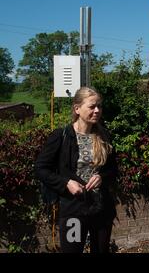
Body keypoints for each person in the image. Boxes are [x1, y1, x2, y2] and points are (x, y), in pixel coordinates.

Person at [36, 87, 118, 253]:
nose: (97, 110)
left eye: (99, 106)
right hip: (74, 213)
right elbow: (41, 169)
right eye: (92, 106)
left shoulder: (104, 136)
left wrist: (102, 177)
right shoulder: (61, 136)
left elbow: (114, 170)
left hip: (101, 210)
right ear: (77, 109)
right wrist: (66, 183)